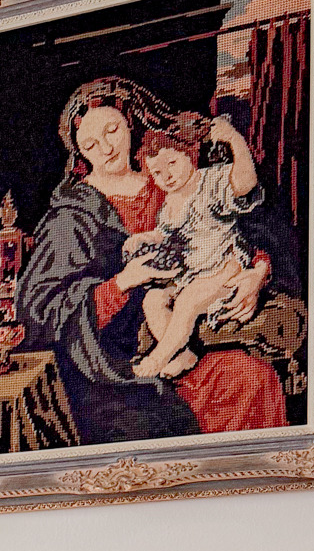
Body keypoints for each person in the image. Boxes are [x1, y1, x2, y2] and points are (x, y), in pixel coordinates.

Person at [15, 77, 286, 447]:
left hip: (200, 337)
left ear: (130, 122)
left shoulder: (168, 174)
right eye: (90, 144)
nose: (105, 148)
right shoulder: (72, 215)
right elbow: (39, 310)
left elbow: (242, 228)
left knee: (252, 378)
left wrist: (258, 272)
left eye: (112, 130)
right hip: (113, 367)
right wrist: (121, 282)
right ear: (79, 152)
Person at [126, 114, 265, 380]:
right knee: (152, 300)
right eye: (157, 172)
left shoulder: (210, 181)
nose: (166, 176)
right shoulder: (170, 202)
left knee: (188, 301)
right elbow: (165, 233)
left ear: (190, 154)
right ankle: (181, 354)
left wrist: (233, 139)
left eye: (172, 163)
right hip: (190, 273)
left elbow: (245, 183)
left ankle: (158, 356)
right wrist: (146, 238)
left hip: (222, 268)